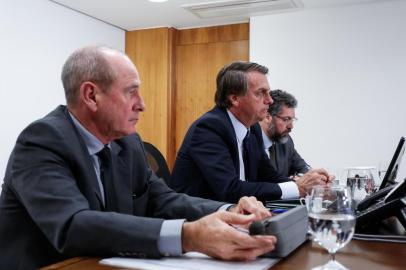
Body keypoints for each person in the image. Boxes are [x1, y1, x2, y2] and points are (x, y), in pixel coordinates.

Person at [0, 47, 277, 270]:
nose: (142, 104)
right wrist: (188, 236)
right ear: (91, 95)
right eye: (131, 91)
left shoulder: (127, 142)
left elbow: (163, 200)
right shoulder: (41, 141)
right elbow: (73, 225)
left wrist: (229, 211)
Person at [169, 61, 332, 204]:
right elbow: (230, 190)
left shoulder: (252, 128)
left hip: (234, 218)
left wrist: (310, 186)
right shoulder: (209, 128)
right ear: (234, 99)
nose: (270, 100)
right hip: (197, 223)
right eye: (261, 93)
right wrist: (297, 188)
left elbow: (268, 175)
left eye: (268, 92)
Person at [259, 90, 311, 177]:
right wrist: (293, 182)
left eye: (292, 120)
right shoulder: (250, 141)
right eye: (286, 119)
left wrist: (314, 176)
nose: (291, 126)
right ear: (267, 117)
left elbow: (303, 167)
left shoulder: (286, 142)